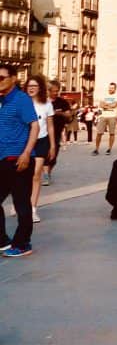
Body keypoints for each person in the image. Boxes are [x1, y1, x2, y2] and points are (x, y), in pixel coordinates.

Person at [0, 63, 39, 257]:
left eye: (1, 78)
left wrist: (26, 153)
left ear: (13, 78)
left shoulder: (21, 99)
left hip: (18, 159)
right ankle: (2, 241)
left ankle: (23, 243)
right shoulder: (1, 100)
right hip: (2, 158)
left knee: (21, 204)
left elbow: (34, 126)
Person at [24, 75, 55, 225]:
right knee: (23, 175)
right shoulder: (22, 102)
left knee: (36, 174)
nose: (31, 88)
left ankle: (33, 208)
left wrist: (53, 144)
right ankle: (23, 204)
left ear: (40, 88)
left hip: (41, 141)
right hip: (24, 141)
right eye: (29, 85)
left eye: (34, 86)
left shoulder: (47, 104)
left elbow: (50, 126)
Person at [43, 81, 71, 185]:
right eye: (53, 91)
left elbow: (68, 115)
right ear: (48, 91)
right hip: (43, 131)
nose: (55, 93)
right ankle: (46, 175)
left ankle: (48, 172)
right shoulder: (43, 102)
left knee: (53, 155)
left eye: (57, 91)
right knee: (45, 152)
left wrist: (60, 113)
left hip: (57, 131)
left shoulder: (62, 102)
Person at [93, 82, 117, 156]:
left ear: (115, 89)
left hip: (112, 116)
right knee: (99, 133)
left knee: (111, 133)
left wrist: (106, 105)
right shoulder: (104, 95)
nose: (110, 89)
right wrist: (110, 106)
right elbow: (101, 104)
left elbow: (114, 105)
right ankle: (96, 149)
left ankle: (109, 149)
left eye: (112, 88)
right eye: (110, 87)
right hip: (103, 115)